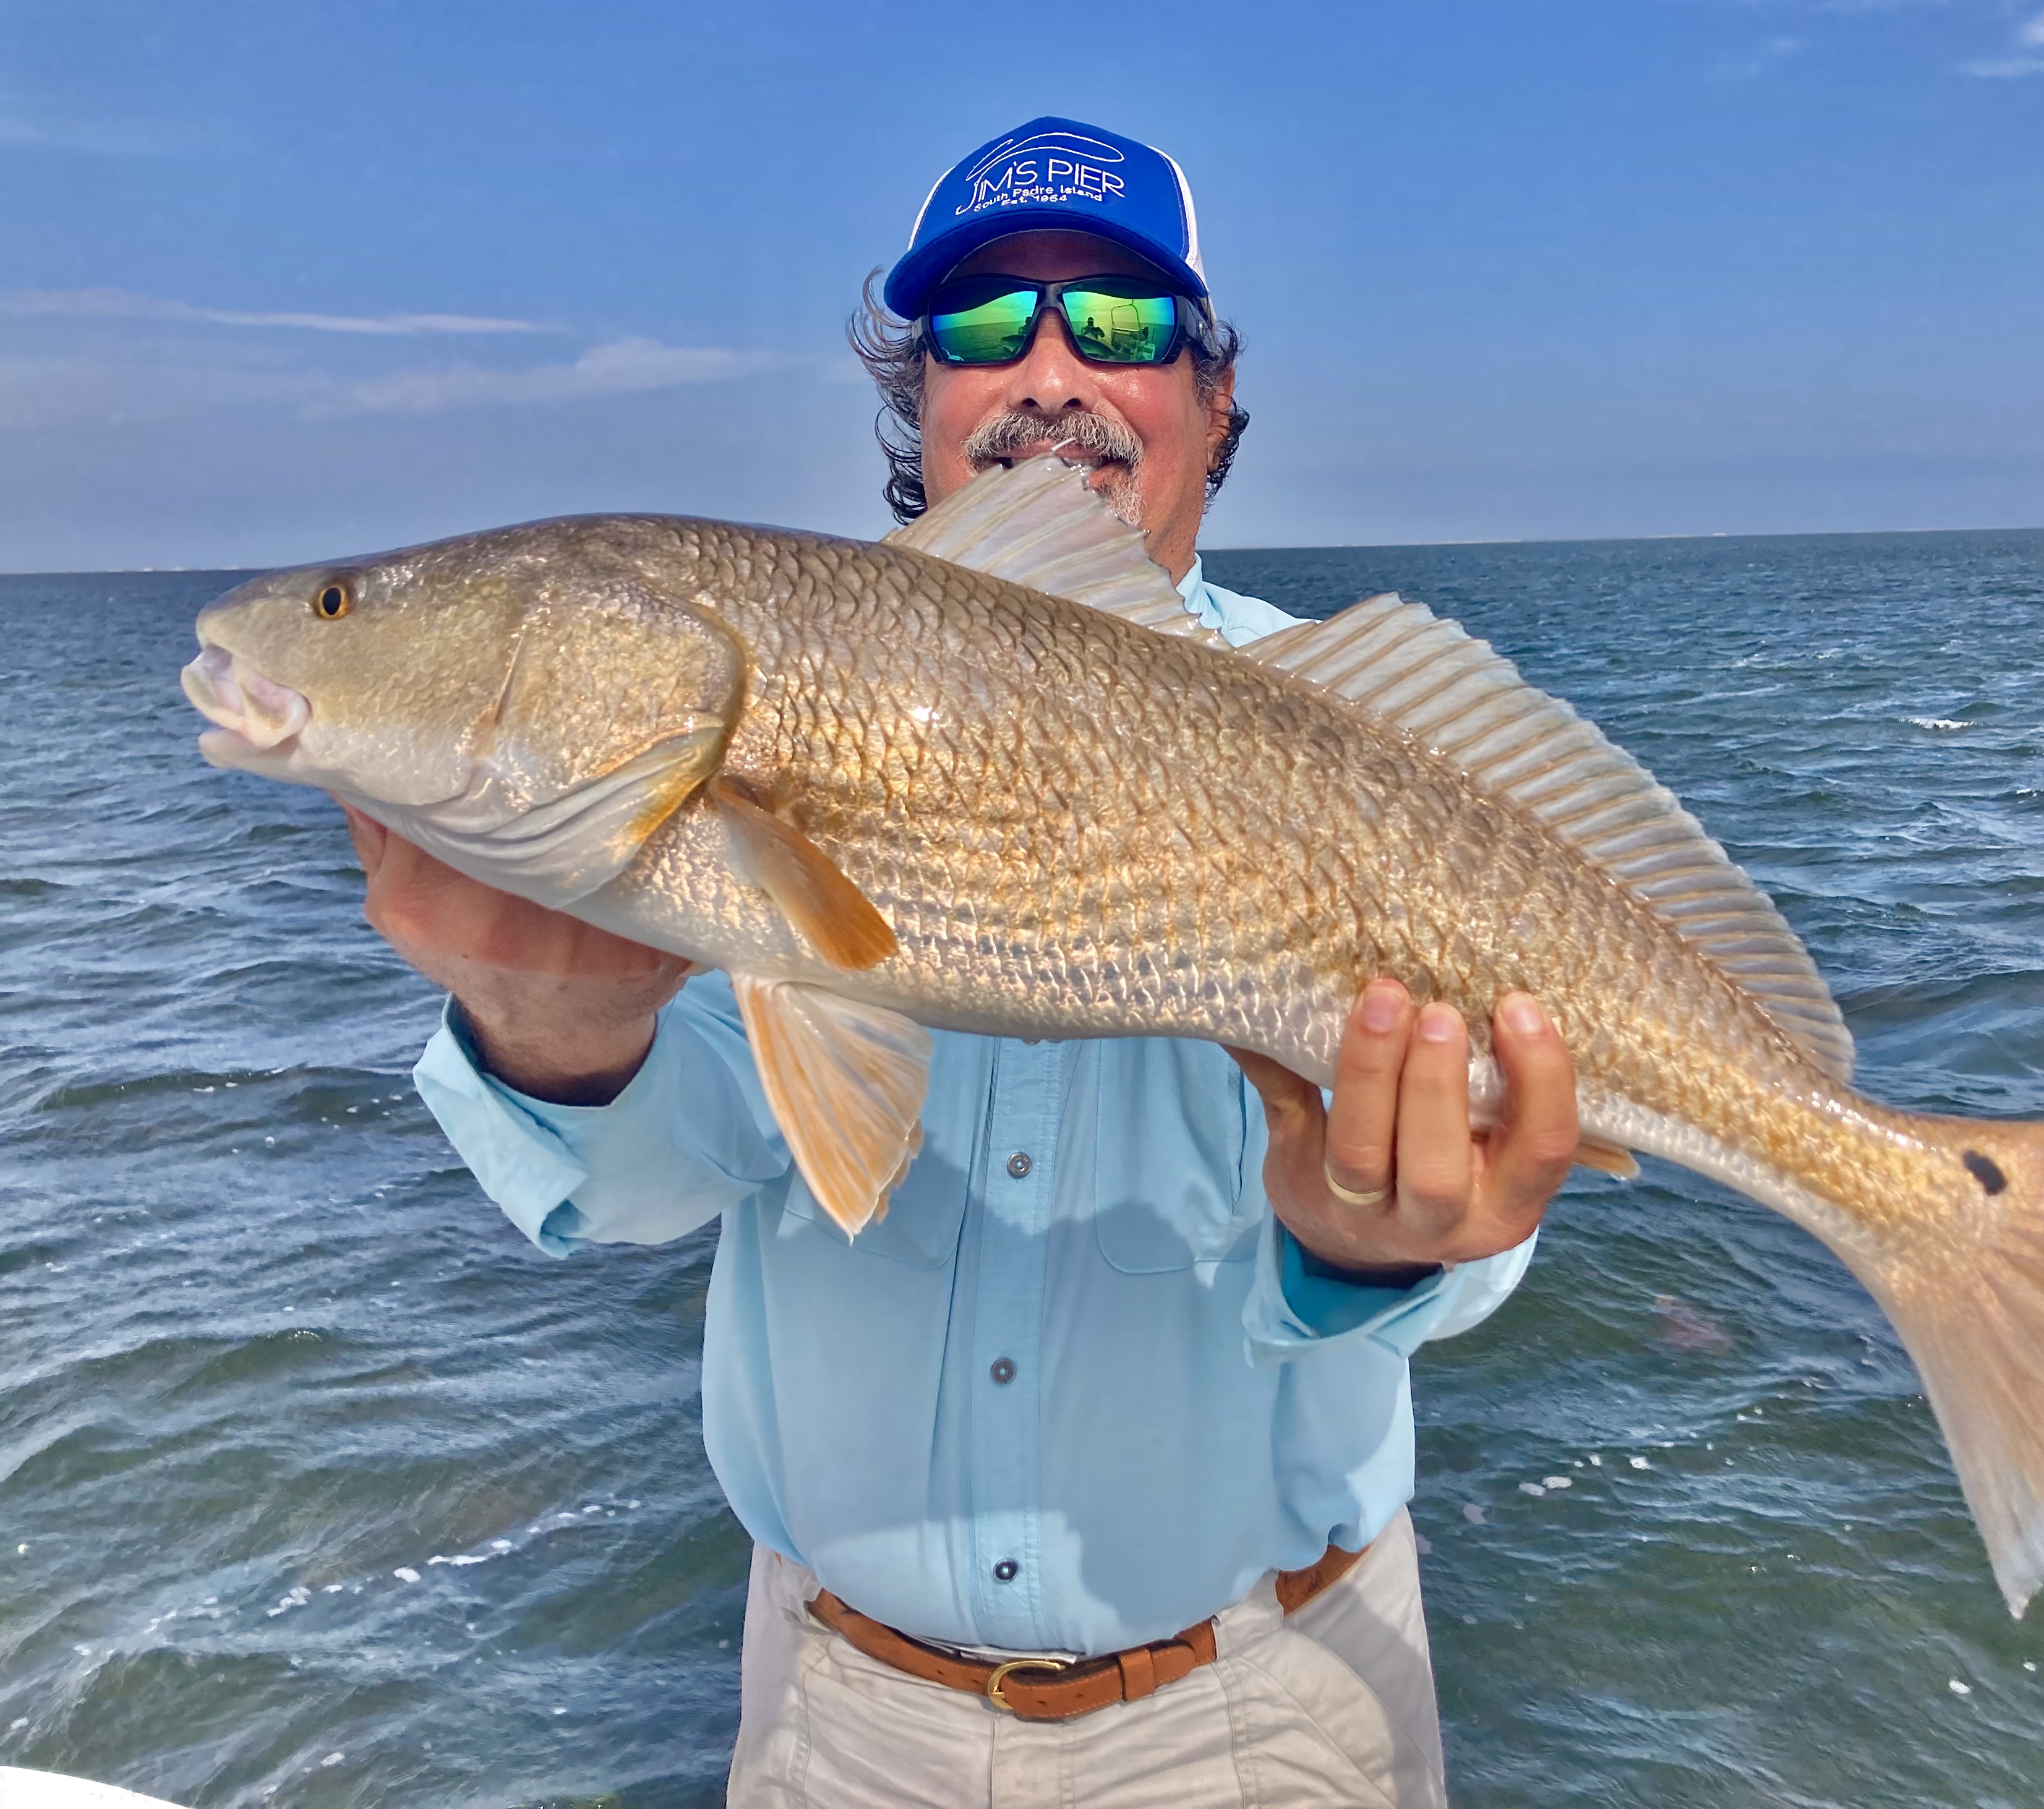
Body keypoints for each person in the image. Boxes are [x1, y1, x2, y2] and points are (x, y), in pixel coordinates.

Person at [358, 117, 1580, 1808]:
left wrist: (1373, 1249)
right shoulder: (753, 700)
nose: (1051, 373)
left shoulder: (1364, 741)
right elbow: (661, 1181)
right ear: (919, 398)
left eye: (1124, 323)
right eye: (985, 325)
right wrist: (552, 1029)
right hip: (838, 1711)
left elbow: (1493, 1220)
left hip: (1279, 1703)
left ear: (1216, 398)